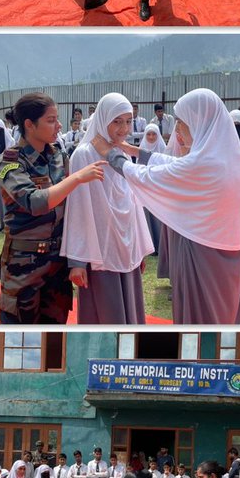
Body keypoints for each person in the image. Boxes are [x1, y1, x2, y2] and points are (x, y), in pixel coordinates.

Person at [112, 89, 240, 324]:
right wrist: (135, 151)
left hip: (202, 251)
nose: (177, 131)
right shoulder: (230, 158)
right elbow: (177, 163)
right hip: (228, 252)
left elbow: (154, 176)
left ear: (198, 122)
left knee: (200, 318)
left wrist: (113, 157)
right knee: (224, 313)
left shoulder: (203, 164)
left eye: (181, 122)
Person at [0, 91, 104, 323]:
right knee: (20, 333)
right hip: (24, 267)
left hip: (57, 264)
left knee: (54, 335)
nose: (59, 125)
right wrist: (75, 179)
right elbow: (34, 202)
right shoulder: (11, 162)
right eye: (51, 120)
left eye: (57, 119)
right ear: (29, 125)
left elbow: (74, 209)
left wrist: (77, 261)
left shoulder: (58, 156)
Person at [64, 93, 154, 323]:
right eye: (117, 121)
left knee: (130, 314)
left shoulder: (120, 153)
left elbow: (132, 202)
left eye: (128, 120)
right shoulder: (84, 155)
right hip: (100, 249)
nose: (124, 128)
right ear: (103, 119)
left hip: (126, 246)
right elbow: (78, 208)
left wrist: (138, 247)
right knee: (106, 312)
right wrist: (77, 261)